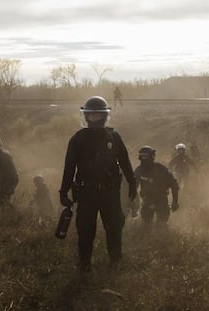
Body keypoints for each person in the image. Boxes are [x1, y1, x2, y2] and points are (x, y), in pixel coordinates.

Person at [59, 96, 136, 273]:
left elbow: (125, 163)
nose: (94, 118)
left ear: (104, 116)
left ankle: (115, 264)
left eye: (98, 115)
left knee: (114, 229)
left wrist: (132, 185)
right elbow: (69, 168)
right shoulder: (78, 139)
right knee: (85, 232)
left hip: (110, 194)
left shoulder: (114, 137)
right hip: (86, 193)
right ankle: (84, 266)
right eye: (91, 115)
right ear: (86, 116)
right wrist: (63, 192)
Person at [135, 146, 179, 228]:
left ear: (152, 156)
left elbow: (174, 185)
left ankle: (161, 238)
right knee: (146, 225)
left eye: (145, 156)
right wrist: (132, 203)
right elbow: (133, 188)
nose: (144, 158)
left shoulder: (161, 169)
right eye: (142, 156)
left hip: (161, 200)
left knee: (161, 224)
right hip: (147, 200)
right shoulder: (139, 170)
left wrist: (175, 202)